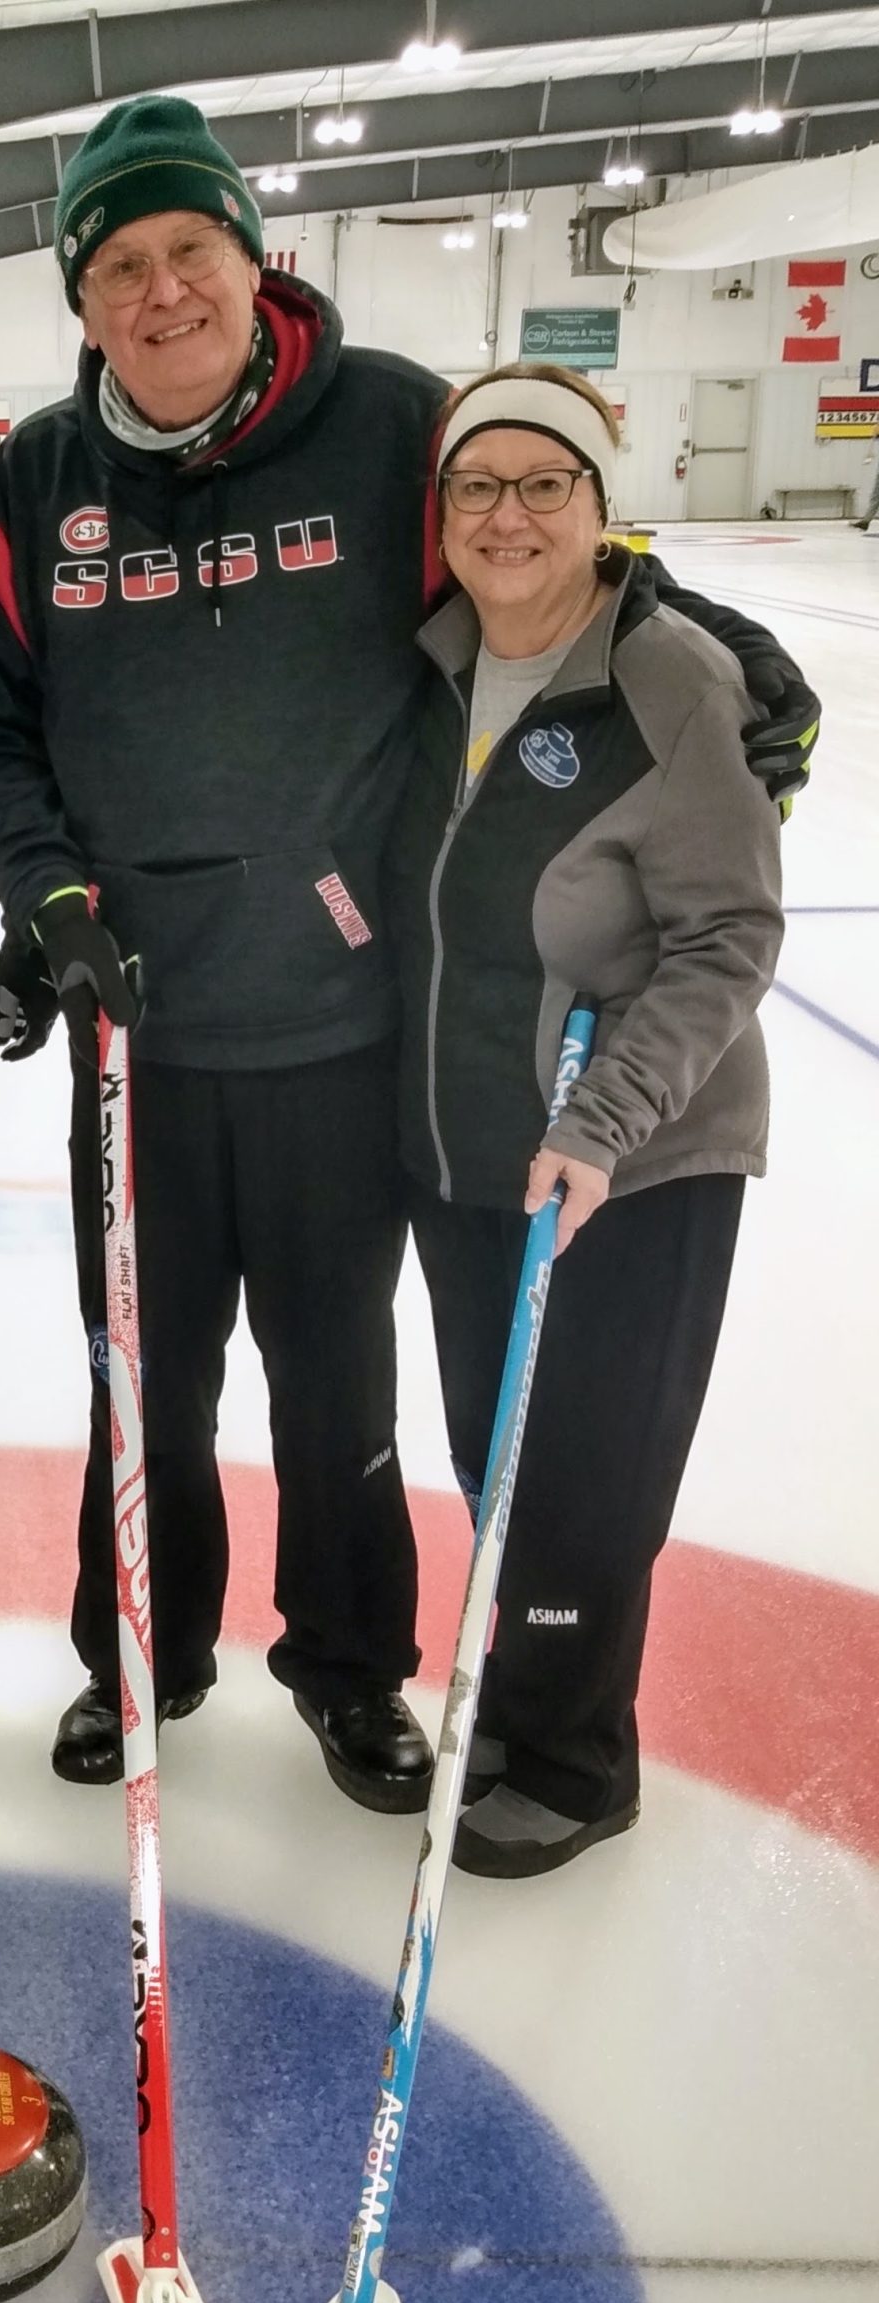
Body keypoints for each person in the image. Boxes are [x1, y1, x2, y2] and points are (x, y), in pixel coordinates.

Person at [0, 94, 818, 1805]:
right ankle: (138, 1657)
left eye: (189, 248)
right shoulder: (33, 483)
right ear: (81, 298)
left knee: (337, 1381)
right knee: (142, 1378)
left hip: (343, 1020)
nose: (162, 291)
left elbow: (533, 546)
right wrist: (47, 896)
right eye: (119, 267)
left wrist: (720, 655)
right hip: (139, 1025)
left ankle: (348, 1670)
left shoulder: (393, 430)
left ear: (250, 252)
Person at [387, 364, 783, 1876]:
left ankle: (577, 1755)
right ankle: (519, 1696)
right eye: (478, 487)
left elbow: (729, 934)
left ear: (601, 509)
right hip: (471, 1138)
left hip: (635, 1152)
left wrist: (608, 1119)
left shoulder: (669, 678)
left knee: (593, 1468)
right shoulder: (428, 663)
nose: (509, 516)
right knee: (497, 1452)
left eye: (544, 484)